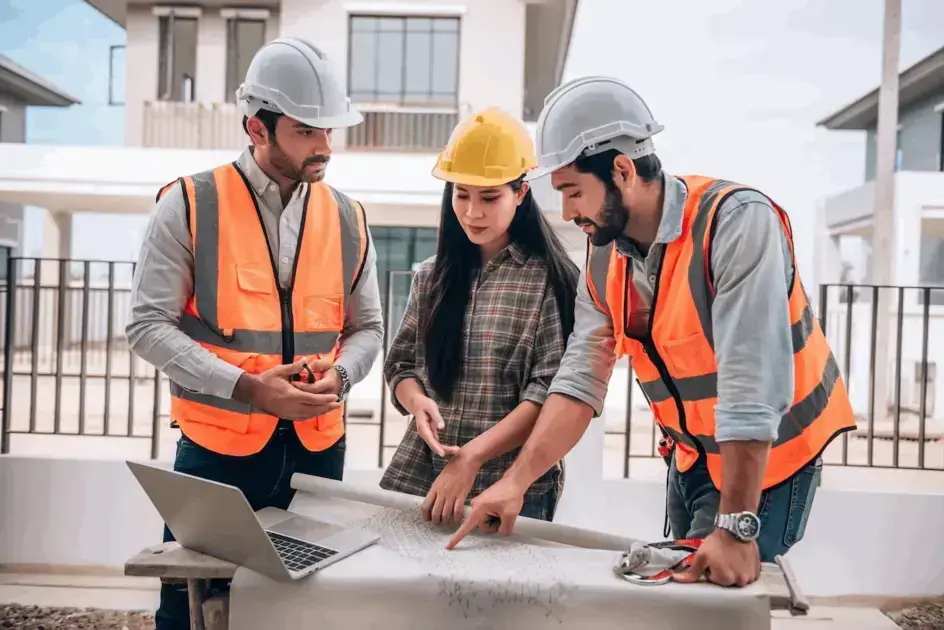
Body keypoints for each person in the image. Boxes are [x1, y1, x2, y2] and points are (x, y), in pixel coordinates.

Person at [447, 77, 857, 588]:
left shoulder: (736, 223)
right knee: (681, 600)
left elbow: (751, 384)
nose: (568, 213)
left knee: (718, 601)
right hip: (691, 460)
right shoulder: (604, 254)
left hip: (769, 461)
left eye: (574, 192)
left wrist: (734, 526)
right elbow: (578, 381)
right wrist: (514, 483)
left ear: (622, 170)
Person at [126, 37, 383, 630]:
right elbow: (146, 326)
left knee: (304, 608)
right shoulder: (189, 204)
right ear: (257, 128)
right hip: (217, 454)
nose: (323, 146)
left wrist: (341, 375)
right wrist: (250, 388)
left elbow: (369, 328)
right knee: (192, 607)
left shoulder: (349, 217)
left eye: (328, 130)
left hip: (319, 449)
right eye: (305, 130)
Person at [379, 107, 580, 525]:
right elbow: (399, 365)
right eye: (461, 195)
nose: (472, 213)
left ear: (521, 193)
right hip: (424, 478)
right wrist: (417, 405)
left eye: (489, 197)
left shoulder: (551, 282)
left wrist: (472, 457)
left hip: (509, 489)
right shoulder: (431, 277)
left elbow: (547, 394)